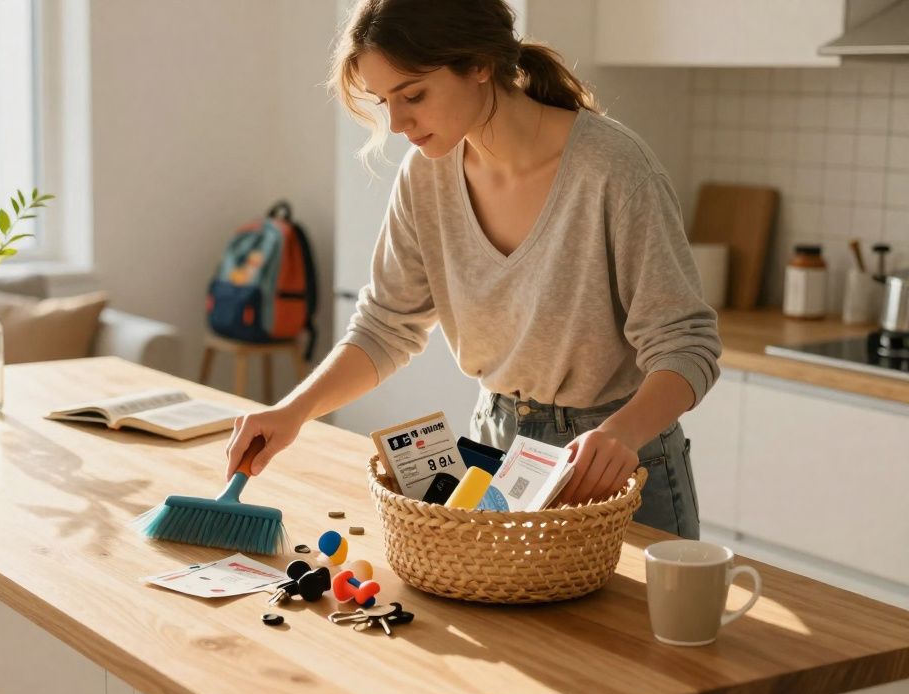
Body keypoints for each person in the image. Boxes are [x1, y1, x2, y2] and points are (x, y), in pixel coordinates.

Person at [224, 0, 721, 539]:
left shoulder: (613, 170)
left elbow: (685, 346)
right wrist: (292, 412)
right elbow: (385, 327)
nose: (396, 124)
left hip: (616, 461)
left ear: (480, 64)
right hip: (497, 451)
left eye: (413, 95)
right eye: (384, 101)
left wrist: (622, 433)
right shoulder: (425, 175)